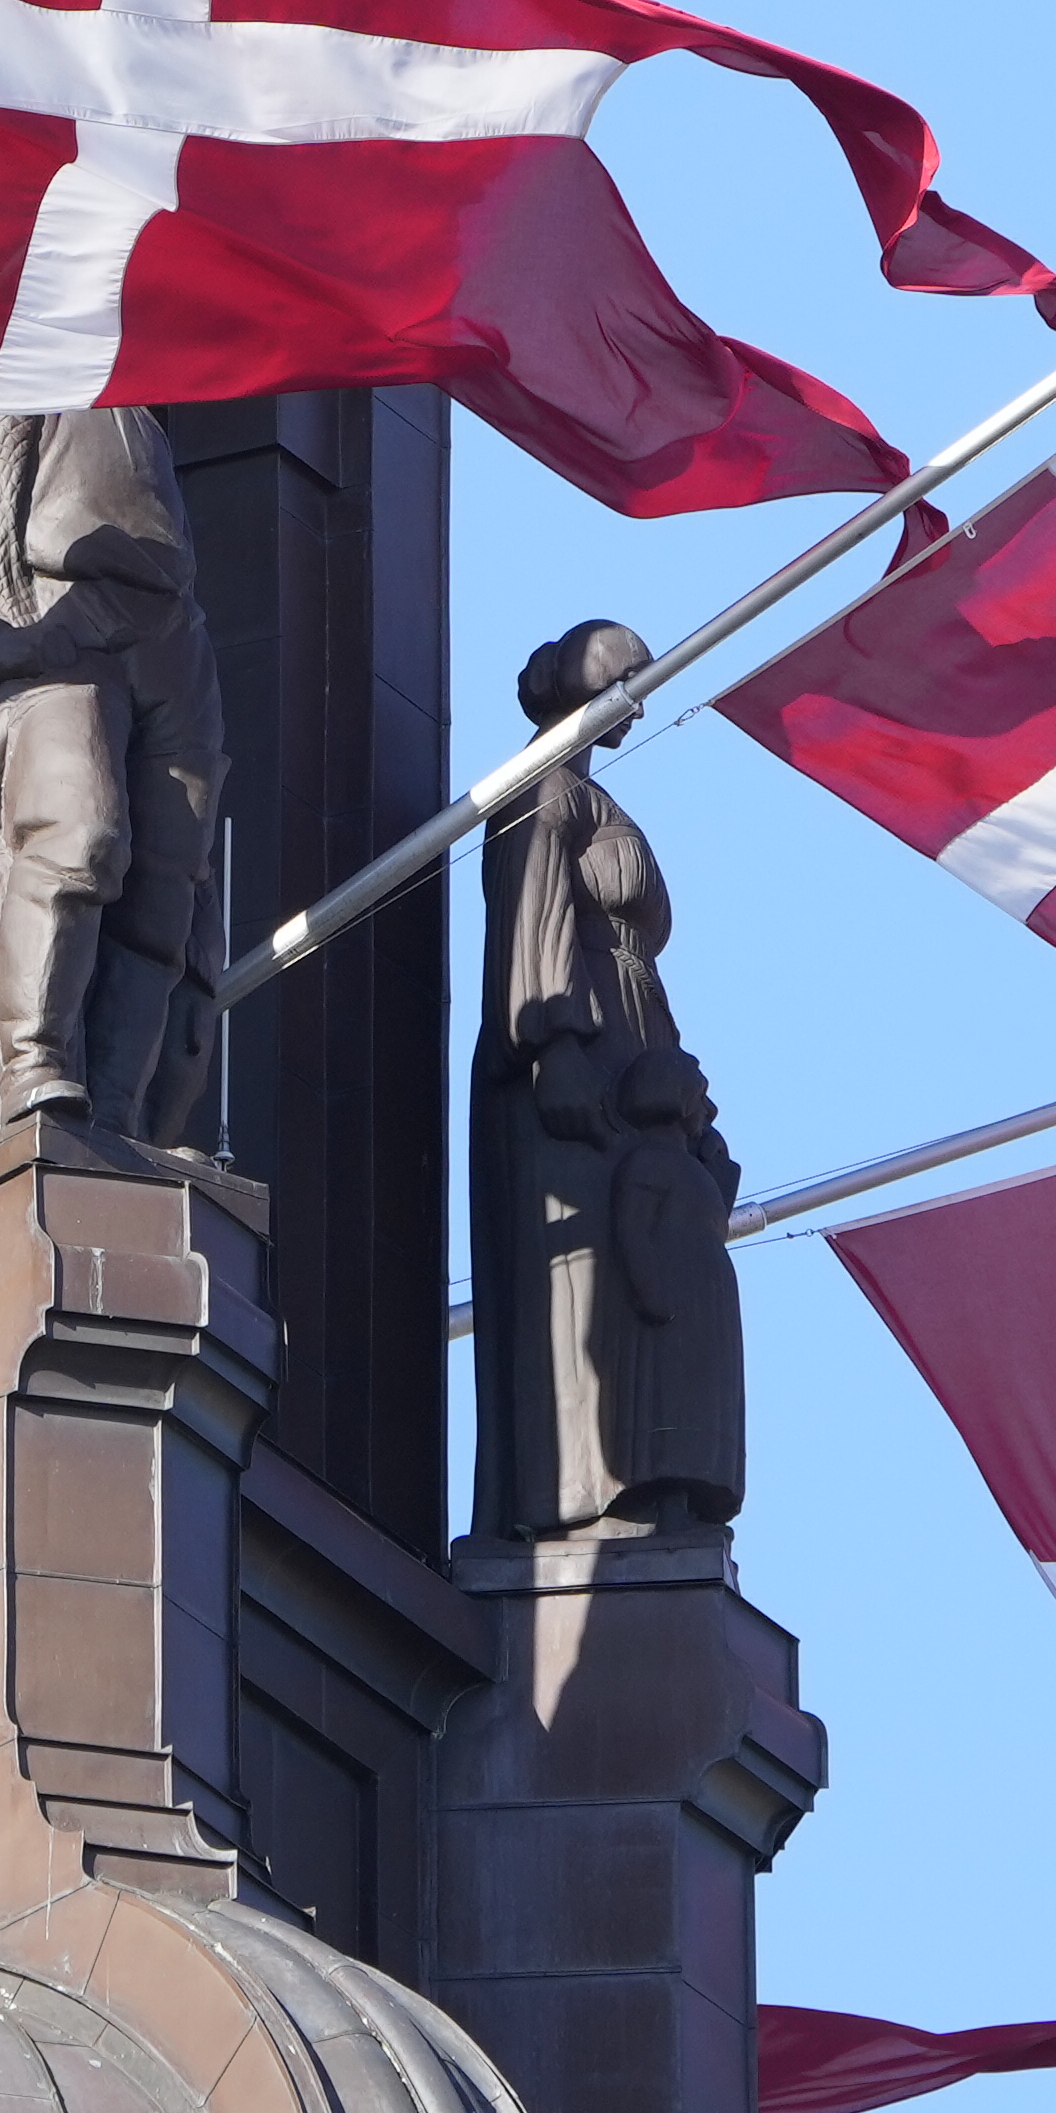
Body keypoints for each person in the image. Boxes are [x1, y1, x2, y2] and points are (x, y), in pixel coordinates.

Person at [0, 406, 228, 1175]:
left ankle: (120, 1118)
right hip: (53, 616)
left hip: (170, 635)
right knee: (79, 837)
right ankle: (31, 1067)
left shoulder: (142, 381)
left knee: (167, 893)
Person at [472, 619, 745, 1540]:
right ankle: (588, 1495)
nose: (640, 700)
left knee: (661, 1261)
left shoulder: (592, 798)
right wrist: (551, 1044)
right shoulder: (544, 791)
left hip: (633, 1032)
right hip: (575, 1044)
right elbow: (531, 917)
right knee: (591, 1275)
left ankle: (661, 1476)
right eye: (627, 680)